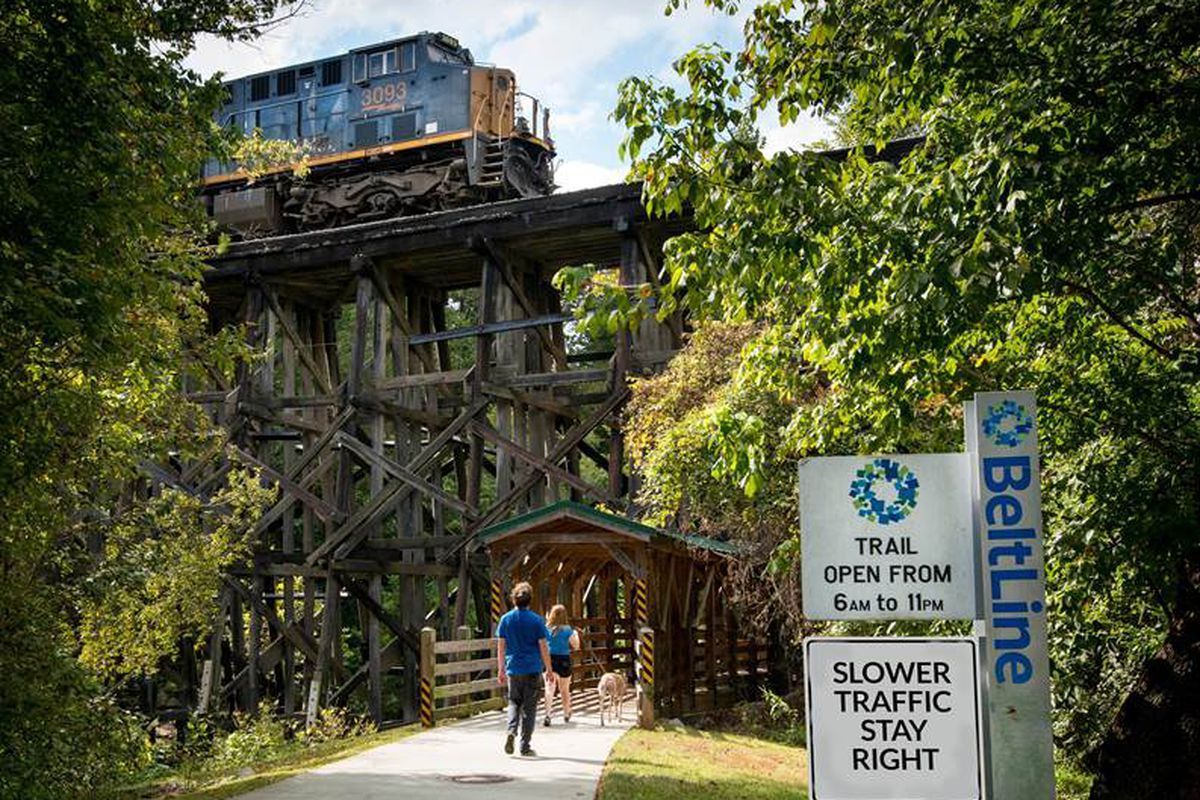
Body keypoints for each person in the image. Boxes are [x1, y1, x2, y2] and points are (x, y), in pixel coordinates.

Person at [495, 581, 552, 757]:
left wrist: (501, 669)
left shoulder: (506, 619)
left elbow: (501, 646)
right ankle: (525, 746)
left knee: (513, 702)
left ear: (514, 600)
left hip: (513, 669)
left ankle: (511, 731)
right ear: (530, 600)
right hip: (533, 668)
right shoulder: (536, 620)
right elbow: (543, 646)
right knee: (529, 708)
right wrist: (549, 668)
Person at [542, 604, 580, 726]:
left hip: (549, 660)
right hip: (563, 660)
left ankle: (547, 714)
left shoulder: (546, 629)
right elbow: (576, 646)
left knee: (549, 688)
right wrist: (576, 635)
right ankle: (566, 713)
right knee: (564, 689)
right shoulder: (568, 630)